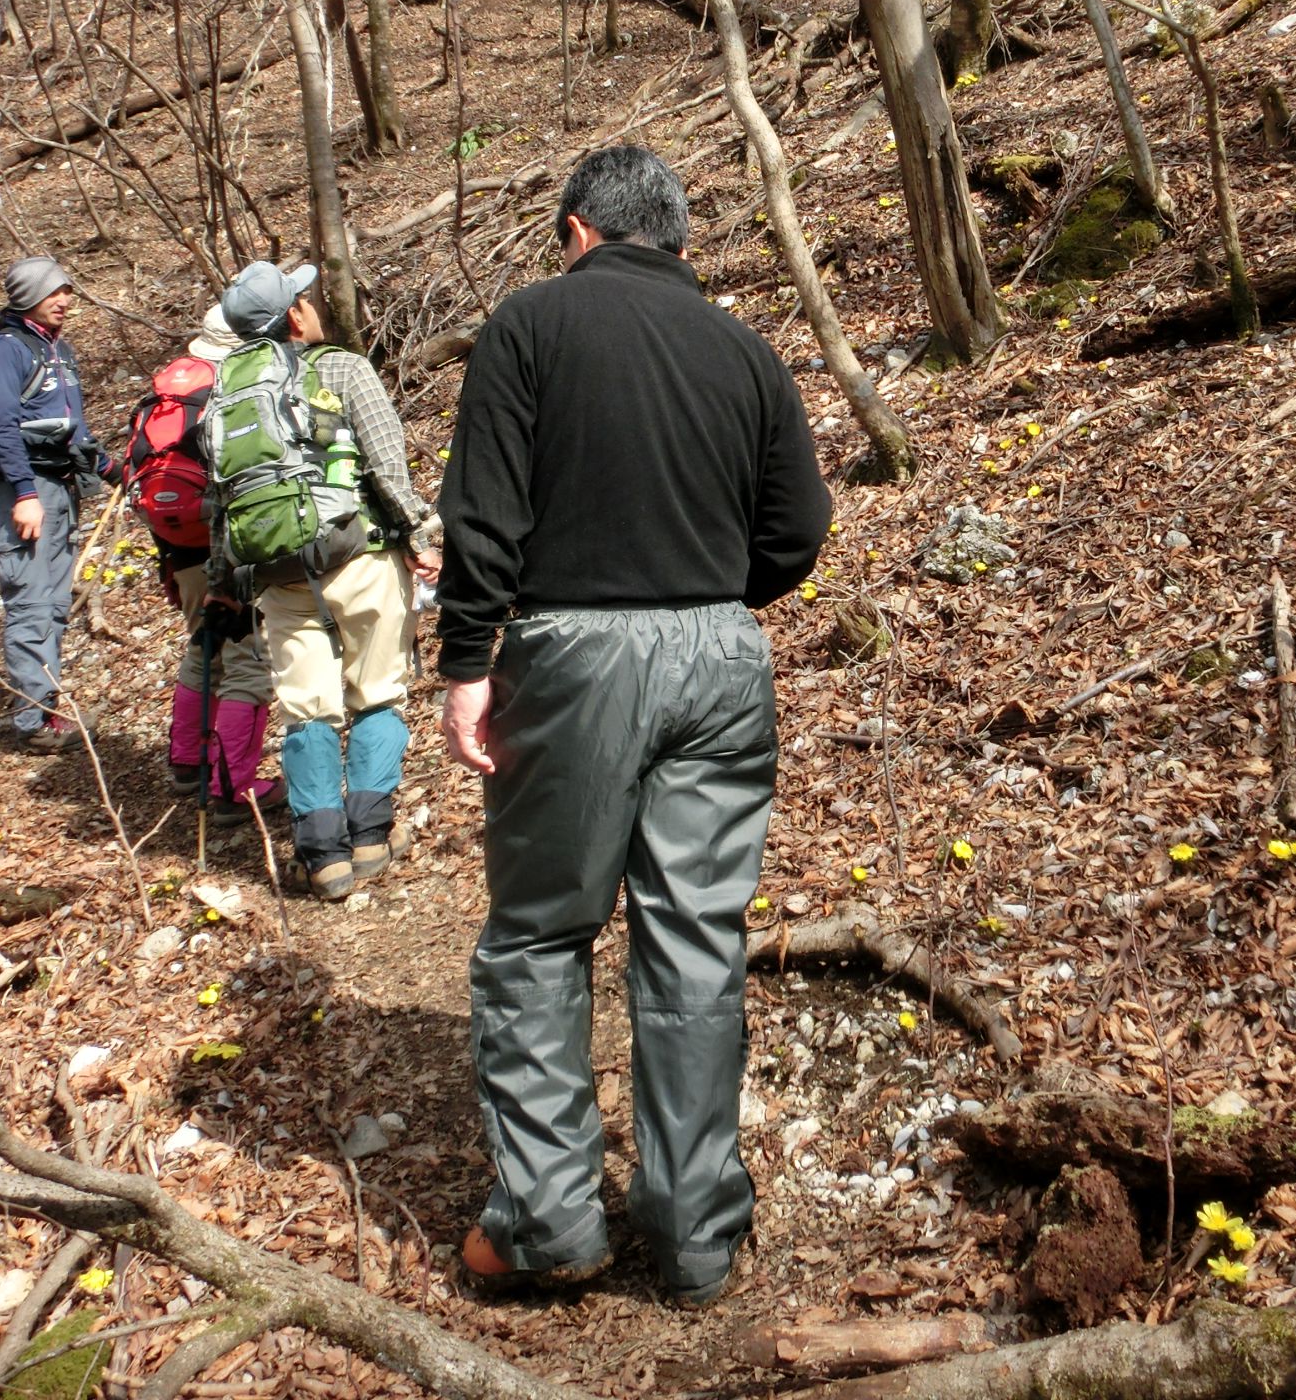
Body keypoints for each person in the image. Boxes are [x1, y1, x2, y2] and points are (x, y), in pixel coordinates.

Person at [435, 144, 830, 1308]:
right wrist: (711, 595)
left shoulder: (531, 326)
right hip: (722, 658)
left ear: (577, 230)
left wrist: (467, 663)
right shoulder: (745, 350)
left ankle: (551, 1225)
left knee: (539, 937)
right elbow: (799, 523)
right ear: (678, 239)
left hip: (576, 650)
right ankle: (696, 1235)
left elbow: (484, 512)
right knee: (695, 943)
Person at [211, 262, 434, 899]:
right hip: (359, 554)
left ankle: (322, 856)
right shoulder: (342, 368)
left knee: (307, 708)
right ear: (293, 317)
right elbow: (388, 465)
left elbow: (223, 500)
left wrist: (227, 579)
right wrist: (418, 535)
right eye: (302, 299)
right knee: (379, 691)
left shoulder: (225, 394)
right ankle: (368, 836)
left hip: (279, 574)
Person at [135, 303, 279, 822]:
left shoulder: (171, 393)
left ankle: (187, 761)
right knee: (249, 664)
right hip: (231, 553)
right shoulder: (233, 393)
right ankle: (232, 787)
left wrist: (168, 561)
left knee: (204, 650)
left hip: (181, 548)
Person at [0, 255, 114, 752]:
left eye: (68, 291)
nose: (64, 300)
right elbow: (1, 427)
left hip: (61, 488)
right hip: (23, 491)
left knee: (54, 605)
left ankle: (44, 707)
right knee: (32, 603)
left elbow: (73, 424)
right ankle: (34, 723)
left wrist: (111, 469)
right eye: (54, 291)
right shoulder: (4, 352)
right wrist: (26, 495)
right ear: (26, 296)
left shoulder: (58, 349)